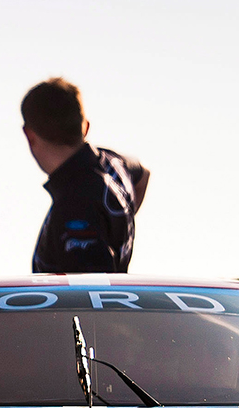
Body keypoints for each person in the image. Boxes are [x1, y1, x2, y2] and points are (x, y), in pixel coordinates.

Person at [21, 77, 150, 275]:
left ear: (29, 136)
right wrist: (117, 226)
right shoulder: (114, 164)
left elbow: (91, 292)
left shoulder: (75, 204)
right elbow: (143, 175)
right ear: (85, 127)